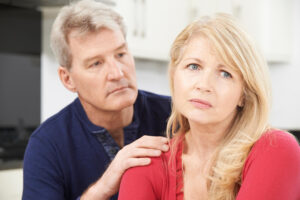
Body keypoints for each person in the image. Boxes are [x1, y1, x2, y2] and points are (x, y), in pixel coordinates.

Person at [118, 13, 300, 200]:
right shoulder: (145, 165)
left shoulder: (276, 149)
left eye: (225, 73)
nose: (204, 85)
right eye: (194, 66)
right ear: (174, 75)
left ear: (243, 96)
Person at [22, 0, 171, 200]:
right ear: (68, 79)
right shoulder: (47, 145)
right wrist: (104, 187)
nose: (117, 73)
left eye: (121, 54)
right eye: (96, 63)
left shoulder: (175, 115)